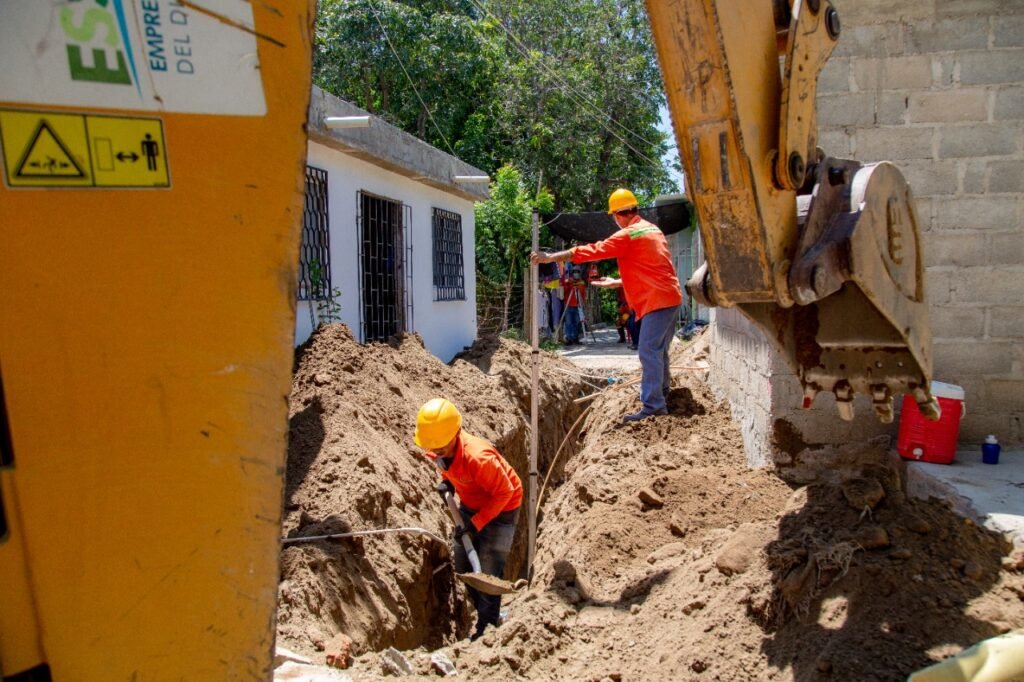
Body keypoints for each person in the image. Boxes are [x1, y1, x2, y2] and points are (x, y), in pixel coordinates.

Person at [532, 189, 683, 422]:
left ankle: (654, 406)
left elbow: (594, 250)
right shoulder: (652, 230)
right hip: (670, 298)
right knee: (659, 351)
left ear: (617, 215)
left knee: (648, 351)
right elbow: (653, 269)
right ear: (635, 209)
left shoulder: (628, 235)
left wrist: (551, 258)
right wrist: (618, 282)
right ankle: (660, 394)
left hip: (656, 302)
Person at [414, 398, 523, 640]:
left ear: (455, 435)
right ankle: (485, 613)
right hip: (472, 502)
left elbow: (505, 492)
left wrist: (476, 524)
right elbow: (452, 467)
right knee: (464, 563)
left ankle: (489, 625)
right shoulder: (439, 447)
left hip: (503, 504)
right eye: (432, 448)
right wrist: (449, 483)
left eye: (439, 448)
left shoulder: (478, 457)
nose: (434, 453)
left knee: (488, 567)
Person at [561, 265, 586, 345]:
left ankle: (575, 338)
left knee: (576, 322)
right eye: (575, 272)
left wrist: (583, 303)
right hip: (568, 305)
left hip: (578, 305)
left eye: (578, 272)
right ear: (572, 273)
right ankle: (568, 338)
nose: (576, 273)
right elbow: (564, 291)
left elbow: (583, 294)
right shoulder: (568, 281)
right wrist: (569, 285)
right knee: (568, 322)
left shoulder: (582, 282)